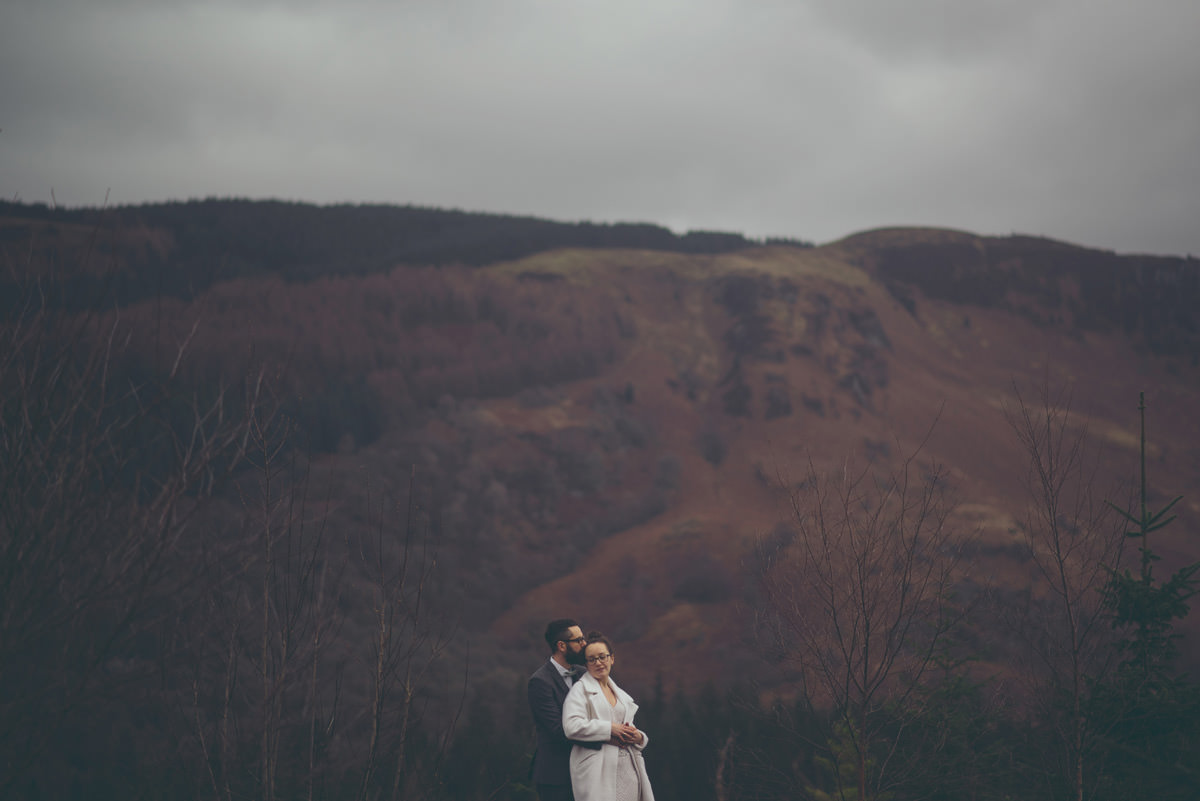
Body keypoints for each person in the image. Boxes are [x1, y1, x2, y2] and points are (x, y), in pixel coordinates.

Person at [562, 631, 655, 801]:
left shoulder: (621, 695)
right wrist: (609, 728)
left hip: (628, 770)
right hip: (599, 771)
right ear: (587, 664)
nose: (598, 663)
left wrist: (639, 737)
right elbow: (571, 727)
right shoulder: (580, 690)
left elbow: (628, 726)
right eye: (592, 659)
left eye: (602, 657)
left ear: (611, 658)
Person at [528, 618, 596, 801]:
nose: (585, 644)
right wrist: (604, 738)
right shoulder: (540, 682)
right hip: (555, 775)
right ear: (562, 646)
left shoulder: (583, 673)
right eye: (579, 640)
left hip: (586, 770)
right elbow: (558, 730)